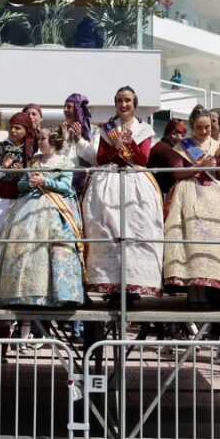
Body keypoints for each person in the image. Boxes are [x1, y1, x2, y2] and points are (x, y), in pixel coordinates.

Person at [76, 86, 163, 303]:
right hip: (110, 179)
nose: (123, 105)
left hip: (134, 179)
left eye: (127, 101)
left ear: (135, 104)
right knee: (106, 228)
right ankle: (111, 283)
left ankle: (133, 283)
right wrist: (115, 146)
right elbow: (102, 158)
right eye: (119, 101)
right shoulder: (108, 128)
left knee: (135, 227)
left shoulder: (144, 129)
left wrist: (129, 142)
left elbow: (143, 159)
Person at [0, 127, 84, 307]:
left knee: (56, 248)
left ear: (53, 143)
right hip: (28, 208)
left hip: (55, 209)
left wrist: (44, 181)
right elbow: (21, 185)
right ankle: (22, 292)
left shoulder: (65, 162)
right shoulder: (35, 161)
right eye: (39, 139)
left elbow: (66, 187)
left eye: (43, 139)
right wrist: (29, 183)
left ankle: (57, 294)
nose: (40, 142)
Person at [161, 106, 220, 309]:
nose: (203, 132)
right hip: (189, 194)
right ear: (191, 127)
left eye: (206, 127)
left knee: (207, 243)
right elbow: (177, 173)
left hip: (213, 195)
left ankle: (204, 289)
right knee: (190, 241)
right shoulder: (184, 146)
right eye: (199, 128)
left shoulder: (217, 144)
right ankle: (192, 290)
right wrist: (200, 165)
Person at [0, 112, 29, 239]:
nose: (13, 130)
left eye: (18, 127)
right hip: (2, 202)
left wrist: (24, 173)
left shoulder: (32, 149)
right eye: (11, 127)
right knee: (0, 240)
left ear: (27, 130)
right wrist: (3, 169)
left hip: (25, 202)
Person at [60, 92, 93, 194]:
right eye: (64, 106)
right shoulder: (60, 131)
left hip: (87, 187)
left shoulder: (94, 132)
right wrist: (64, 140)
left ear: (78, 109)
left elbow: (94, 157)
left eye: (69, 107)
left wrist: (79, 139)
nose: (65, 110)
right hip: (63, 185)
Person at [148, 119, 186, 199]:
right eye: (182, 135)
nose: (184, 139)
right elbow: (177, 174)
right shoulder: (167, 150)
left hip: (157, 191)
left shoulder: (160, 146)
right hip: (164, 193)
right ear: (173, 134)